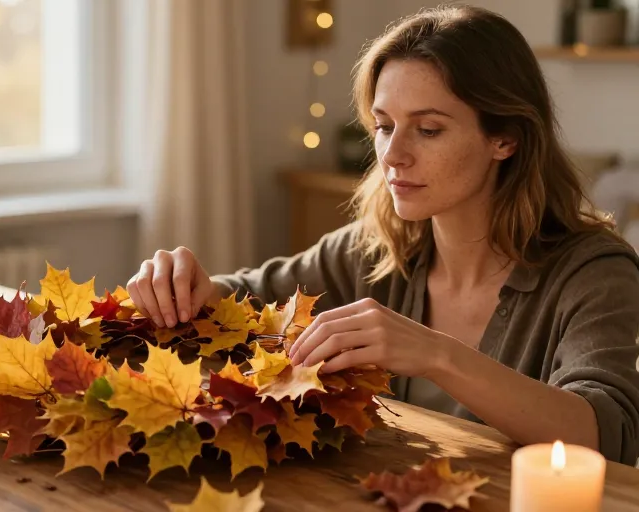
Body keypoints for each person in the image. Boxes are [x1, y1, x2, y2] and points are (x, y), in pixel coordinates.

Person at [125, 4, 639, 465]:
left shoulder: (594, 273)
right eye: (384, 125)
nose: (392, 155)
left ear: (505, 138)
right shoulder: (378, 247)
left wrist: (437, 355)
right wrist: (188, 284)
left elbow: (607, 433)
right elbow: (246, 297)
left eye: (429, 129)